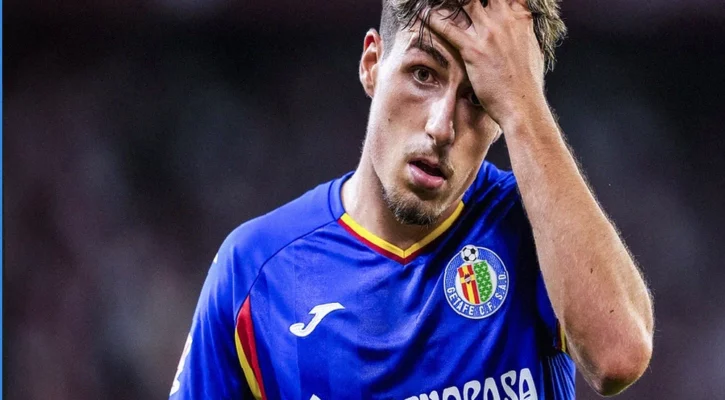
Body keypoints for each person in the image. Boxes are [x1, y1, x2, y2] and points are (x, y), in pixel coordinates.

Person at [169, 0, 654, 398]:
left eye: (478, 97)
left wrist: (524, 105)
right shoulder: (254, 272)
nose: (441, 127)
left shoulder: (536, 225)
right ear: (372, 64)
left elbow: (619, 358)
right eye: (423, 74)